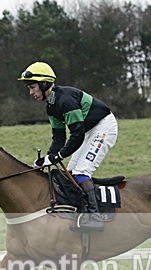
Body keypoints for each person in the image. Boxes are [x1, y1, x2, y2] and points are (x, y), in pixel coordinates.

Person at [18, 61, 118, 231]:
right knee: (69, 174)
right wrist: (47, 158)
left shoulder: (65, 101)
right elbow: (59, 137)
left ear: (44, 84)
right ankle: (79, 213)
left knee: (81, 172)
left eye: (33, 87)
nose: (31, 92)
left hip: (103, 127)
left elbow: (77, 135)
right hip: (88, 131)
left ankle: (95, 218)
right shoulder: (51, 106)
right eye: (29, 88)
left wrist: (57, 157)